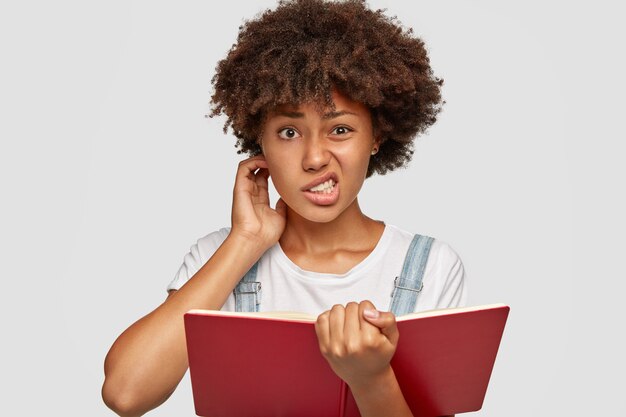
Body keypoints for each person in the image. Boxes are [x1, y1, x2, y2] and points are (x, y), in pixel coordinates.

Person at [102, 1, 466, 416]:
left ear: (377, 136)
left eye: (340, 129)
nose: (314, 157)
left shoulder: (430, 267)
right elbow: (125, 394)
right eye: (289, 131)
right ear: (261, 141)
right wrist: (246, 242)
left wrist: (370, 377)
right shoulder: (218, 257)